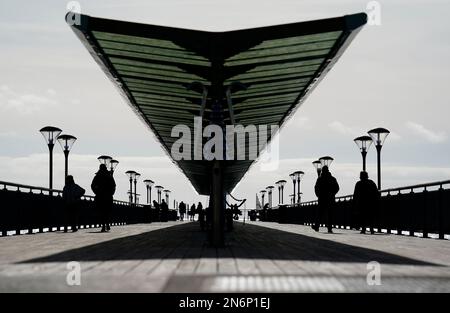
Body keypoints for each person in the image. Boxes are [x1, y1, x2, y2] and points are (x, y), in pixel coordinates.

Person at [313, 166, 339, 233]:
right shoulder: (332, 179)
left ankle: (317, 226)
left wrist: (318, 195)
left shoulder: (320, 179)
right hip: (330, 199)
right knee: (330, 214)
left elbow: (316, 188)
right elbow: (337, 188)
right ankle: (329, 228)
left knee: (320, 213)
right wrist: (332, 194)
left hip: (322, 199)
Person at [91, 164, 116, 232]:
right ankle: (107, 223)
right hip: (108, 196)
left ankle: (104, 225)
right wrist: (111, 192)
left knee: (101, 211)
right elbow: (114, 185)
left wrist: (96, 192)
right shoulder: (109, 176)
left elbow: (92, 185)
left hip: (100, 196)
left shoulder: (97, 176)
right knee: (107, 211)